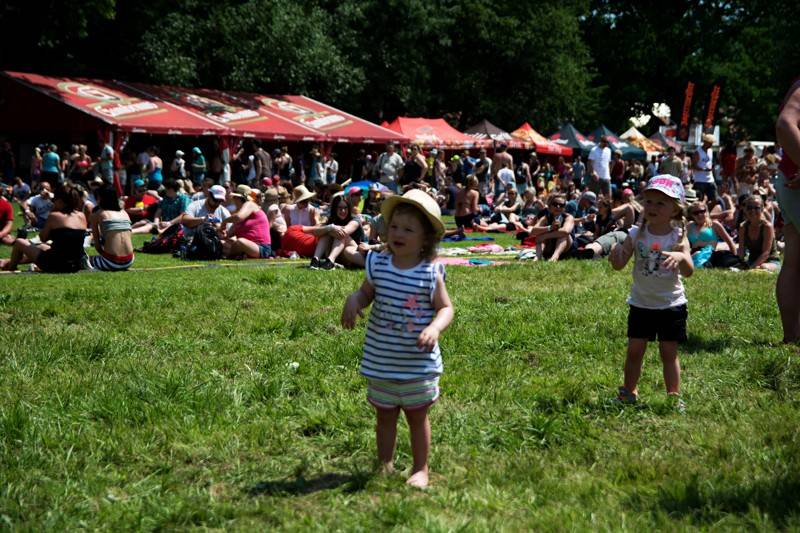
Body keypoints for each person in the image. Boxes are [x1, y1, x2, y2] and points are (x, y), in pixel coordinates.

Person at [341, 189, 453, 489]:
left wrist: (435, 328)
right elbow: (366, 293)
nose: (398, 233)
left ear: (426, 239)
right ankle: (385, 464)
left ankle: (420, 468)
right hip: (383, 360)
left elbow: (446, 308)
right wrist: (354, 300)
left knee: (417, 417)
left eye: (408, 229)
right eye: (394, 227)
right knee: (385, 416)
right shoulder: (378, 264)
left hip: (417, 364)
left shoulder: (430, 273)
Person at [608, 175, 693, 411]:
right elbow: (619, 264)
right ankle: (629, 392)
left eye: (660, 203)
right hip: (641, 303)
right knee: (634, 351)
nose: (652, 207)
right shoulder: (636, 233)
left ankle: (673, 397)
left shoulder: (678, 236)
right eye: (649, 201)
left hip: (671, 304)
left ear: (675, 209)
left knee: (669, 352)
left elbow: (689, 271)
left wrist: (680, 256)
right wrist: (615, 255)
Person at [1, 183, 87, 272]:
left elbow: (42, 238)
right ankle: (8, 262)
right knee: (43, 247)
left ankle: (11, 267)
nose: (52, 203)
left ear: (60, 201)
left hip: (55, 264)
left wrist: (52, 211)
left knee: (19, 242)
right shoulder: (82, 216)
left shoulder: (54, 216)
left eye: (54, 200)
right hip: (75, 265)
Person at [775, 79, 800, 342]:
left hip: (790, 179)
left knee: (794, 260)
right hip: (795, 182)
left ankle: (793, 336)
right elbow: (785, 124)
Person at [309, 194, 365, 270]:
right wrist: (330, 227)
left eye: (345, 208)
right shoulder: (332, 219)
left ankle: (330, 261)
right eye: (340, 208)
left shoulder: (355, 220)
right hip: (338, 254)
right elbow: (315, 232)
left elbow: (344, 232)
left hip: (353, 252)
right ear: (335, 209)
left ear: (349, 209)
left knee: (340, 234)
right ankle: (315, 260)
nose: (343, 211)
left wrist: (329, 229)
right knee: (327, 231)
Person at [87, 186, 134, 271]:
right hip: (129, 260)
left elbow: (97, 246)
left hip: (111, 262)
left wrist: (104, 255)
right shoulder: (124, 213)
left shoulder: (98, 214)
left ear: (100, 199)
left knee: (83, 260)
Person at [220, 185, 272, 259]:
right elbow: (227, 236)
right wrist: (218, 230)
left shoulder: (250, 204)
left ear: (239, 198)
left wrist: (224, 222)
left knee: (240, 242)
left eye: (234, 197)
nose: (233, 200)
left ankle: (228, 256)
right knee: (222, 243)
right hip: (246, 248)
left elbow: (238, 217)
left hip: (261, 248)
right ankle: (237, 255)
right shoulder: (238, 216)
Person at [686, 201, 736, 268]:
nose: (699, 214)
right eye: (696, 213)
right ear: (691, 215)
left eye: (702, 211)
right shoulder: (689, 226)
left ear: (706, 212)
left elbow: (730, 242)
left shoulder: (714, 225)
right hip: (694, 255)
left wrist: (734, 258)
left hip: (709, 256)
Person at [738, 195, 781, 272]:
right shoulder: (743, 227)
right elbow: (741, 249)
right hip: (751, 261)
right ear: (745, 210)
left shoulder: (767, 226)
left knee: (763, 267)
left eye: (756, 208)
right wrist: (739, 264)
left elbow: (766, 253)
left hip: (770, 261)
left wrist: (751, 268)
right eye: (749, 208)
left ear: (762, 209)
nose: (753, 210)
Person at [527, 193, 575, 261]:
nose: (558, 207)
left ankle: (554, 258)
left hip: (566, 249)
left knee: (563, 235)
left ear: (564, 208)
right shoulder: (546, 217)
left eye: (561, 205)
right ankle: (538, 257)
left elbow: (565, 231)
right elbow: (533, 231)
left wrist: (545, 236)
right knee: (540, 233)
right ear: (549, 206)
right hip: (549, 247)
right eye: (555, 204)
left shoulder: (568, 217)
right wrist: (550, 227)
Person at [692, 134, 717, 204]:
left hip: (710, 179)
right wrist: (703, 169)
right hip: (700, 180)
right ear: (705, 142)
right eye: (710, 143)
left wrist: (712, 168)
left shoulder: (710, 151)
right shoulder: (698, 152)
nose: (711, 144)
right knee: (699, 199)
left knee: (714, 199)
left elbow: (710, 163)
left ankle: (707, 209)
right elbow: (693, 166)